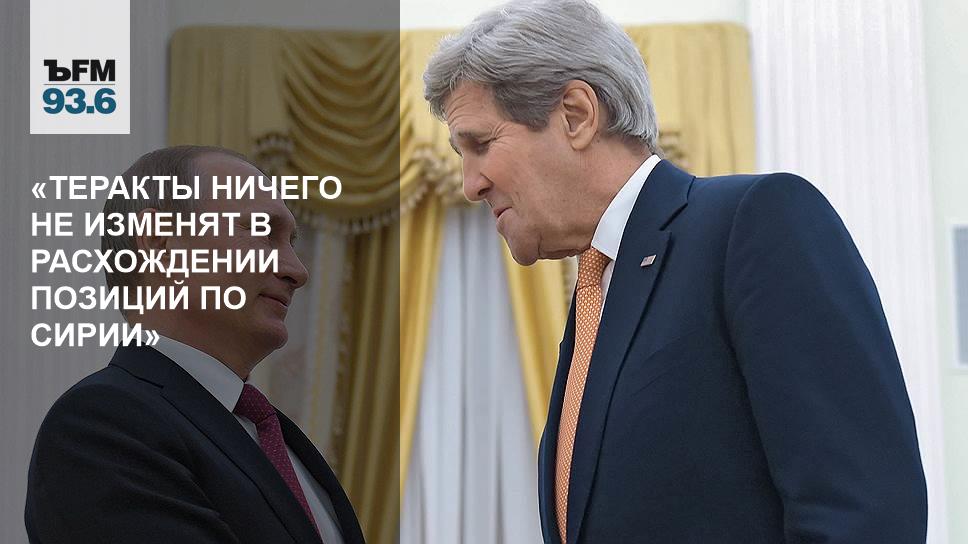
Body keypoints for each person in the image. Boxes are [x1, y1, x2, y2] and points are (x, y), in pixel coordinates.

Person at [423, 1, 928, 542]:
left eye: (480, 145)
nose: (470, 184)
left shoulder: (754, 222)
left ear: (576, 114)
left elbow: (864, 514)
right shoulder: (599, 288)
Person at [25, 146, 364, 544]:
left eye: (291, 241)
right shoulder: (99, 426)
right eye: (262, 232)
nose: (298, 271)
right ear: (159, 242)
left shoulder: (271, 434)